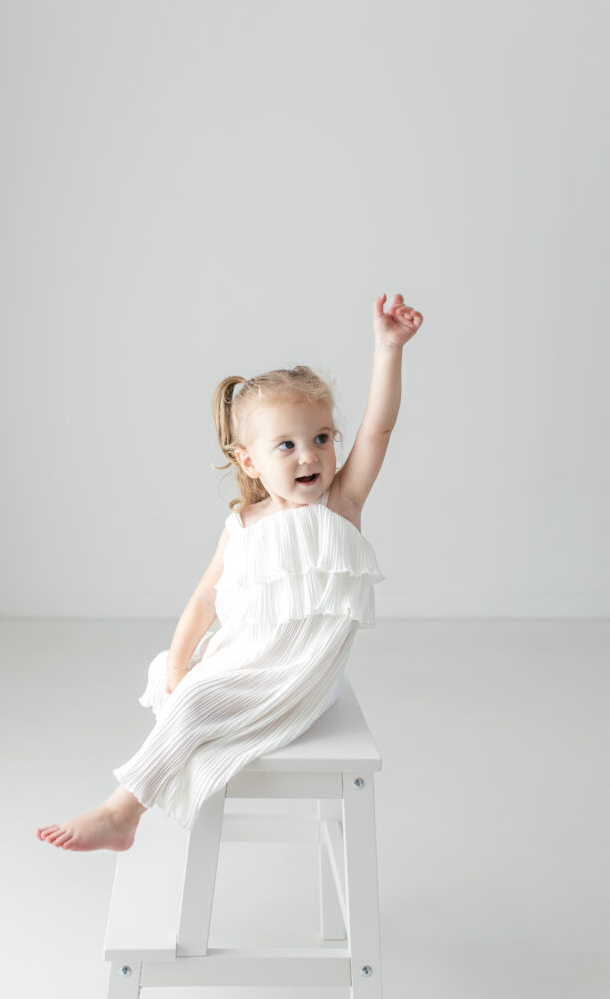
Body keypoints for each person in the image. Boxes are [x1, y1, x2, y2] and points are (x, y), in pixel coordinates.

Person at [36, 292, 423, 851]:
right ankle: (177, 738)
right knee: (176, 679)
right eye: (285, 445)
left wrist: (388, 348)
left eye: (321, 439)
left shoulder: (341, 506)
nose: (308, 456)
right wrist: (176, 663)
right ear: (250, 461)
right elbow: (203, 604)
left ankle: (122, 812)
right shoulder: (243, 524)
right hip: (248, 657)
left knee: (195, 703)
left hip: (296, 676)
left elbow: (379, 429)